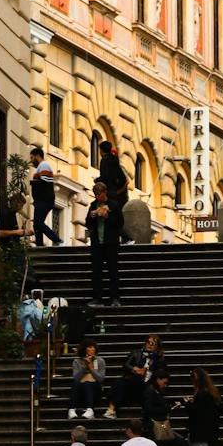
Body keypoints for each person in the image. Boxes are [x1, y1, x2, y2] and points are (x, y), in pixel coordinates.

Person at [183, 366, 223, 446]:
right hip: (205, 429)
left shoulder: (201, 394)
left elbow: (196, 412)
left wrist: (187, 404)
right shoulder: (209, 392)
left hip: (199, 430)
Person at [108, 333, 166, 417]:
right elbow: (125, 365)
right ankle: (110, 410)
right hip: (133, 383)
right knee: (119, 382)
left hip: (147, 386)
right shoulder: (136, 353)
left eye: (152, 343)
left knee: (133, 381)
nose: (149, 345)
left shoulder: (159, 359)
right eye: (148, 342)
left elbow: (161, 374)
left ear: (157, 346)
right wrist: (134, 369)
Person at [86, 179, 121, 308]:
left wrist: (108, 217)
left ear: (105, 192)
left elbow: (120, 223)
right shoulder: (93, 205)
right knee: (96, 272)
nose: (97, 197)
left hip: (110, 243)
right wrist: (92, 216)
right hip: (97, 244)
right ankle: (97, 298)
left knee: (113, 271)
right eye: (95, 194)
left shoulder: (113, 205)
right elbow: (88, 224)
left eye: (99, 194)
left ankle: (115, 298)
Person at [97, 141, 130, 238]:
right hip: (116, 194)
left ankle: (126, 238)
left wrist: (97, 180)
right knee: (111, 215)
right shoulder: (115, 161)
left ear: (101, 150)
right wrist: (118, 190)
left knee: (106, 214)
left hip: (109, 193)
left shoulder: (104, 160)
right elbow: (124, 179)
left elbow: (104, 176)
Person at [29, 145, 60, 247]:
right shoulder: (42, 167)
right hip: (42, 200)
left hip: (44, 200)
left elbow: (44, 182)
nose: (31, 161)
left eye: (32, 158)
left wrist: (32, 182)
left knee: (38, 223)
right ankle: (39, 245)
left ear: (37, 156)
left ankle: (56, 239)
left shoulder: (44, 165)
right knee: (37, 224)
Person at [69, 342, 104, 419]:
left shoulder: (100, 361)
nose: (93, 349)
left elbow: (100, 379)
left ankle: (90, 409)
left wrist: (91, 368)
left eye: (94, 347)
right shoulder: (77, 361)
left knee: (87, 383)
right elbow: (76, 378)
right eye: (90, 347)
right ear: (84, 349)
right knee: (76, 383)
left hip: (95, 389)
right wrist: (84, 367)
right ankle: (71, 409)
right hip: (80, 390)